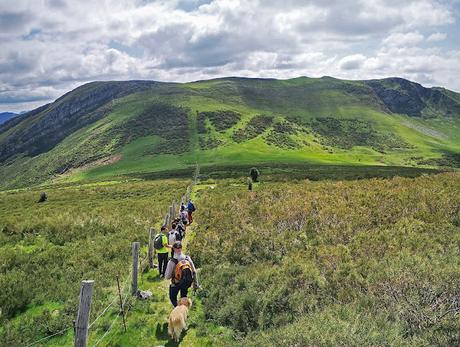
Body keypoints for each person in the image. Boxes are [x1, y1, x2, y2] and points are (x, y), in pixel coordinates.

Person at [165, 241, 199, 307]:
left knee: (172, 298)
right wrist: (196, 284)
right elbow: (194, 271)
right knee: (184, 297)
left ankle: (177, 309)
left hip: (176, 283)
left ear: (174, 249)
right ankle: (184, 310)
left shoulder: (172, 261)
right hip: (186, 282)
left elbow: (167, 277)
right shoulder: (187, 258)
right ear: (181, 248)